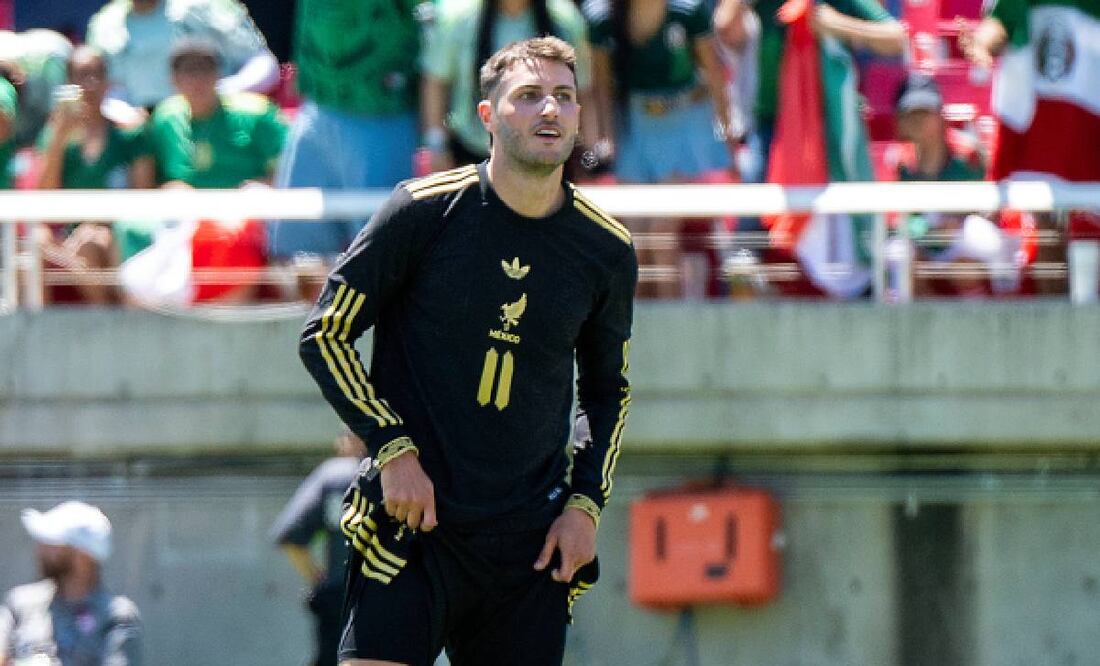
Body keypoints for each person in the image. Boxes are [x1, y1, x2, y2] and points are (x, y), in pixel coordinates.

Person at [298, 36, 636, 666]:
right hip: (413, 524)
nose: (550, 110)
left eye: (564, 96)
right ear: (486, 116)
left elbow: (606, 392)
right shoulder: (422, 211)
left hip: (529, 541)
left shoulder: (606, 249)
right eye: (528, 96)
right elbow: (325, 333)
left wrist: (586, 505)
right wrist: (392, 449)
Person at [266, 0, 424, 300]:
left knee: (380, 253)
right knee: (299, 253)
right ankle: (313, 327)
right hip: (316, 106)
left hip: (381, 113)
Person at [582, 0, 737, 299]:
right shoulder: (600, 17)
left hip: (687, 126)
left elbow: (714, 73)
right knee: (634, 240)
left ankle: (674, 322)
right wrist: (606, 139)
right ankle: (635, 325)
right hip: (633, 127)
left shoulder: (687, 10)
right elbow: (601, 85)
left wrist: (727, 137)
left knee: (661, 232)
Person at [959, 0, 1100, 295]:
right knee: (1048, 226)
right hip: (1041, 125)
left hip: (1089, 119)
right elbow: (1001, 23)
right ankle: (1059, 319)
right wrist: (982, 43)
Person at [35, 46, 155, 305]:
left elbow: (142, 199)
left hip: (118, 234)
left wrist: (96, 226)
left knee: (91, 242)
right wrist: (59, 137)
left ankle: (109, 320)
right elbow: (45, 199)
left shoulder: (130, 135)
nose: (89, 84)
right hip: (71, 236)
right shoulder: (55, 138)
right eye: (81, 75)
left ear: (107, 81)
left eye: (96, 74)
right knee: (36, 242)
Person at [420, 0, 596, 172]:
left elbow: (583, 91)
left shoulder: (564, 18)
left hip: (547, 156)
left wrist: (590, 155)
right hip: (470, 150)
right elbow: (436, 83)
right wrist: (437, 145)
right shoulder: (457, 15)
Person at [892, 74, 1018, 297]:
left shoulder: (968, 156)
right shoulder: (898, 163)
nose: (919, 121)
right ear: (901, 121)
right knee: (900, 256)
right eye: (912, 113)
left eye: (926, 112)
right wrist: (926, 232)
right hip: (923, 242)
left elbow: (992, 209)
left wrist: (956, 223)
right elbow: (894, 220)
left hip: (964, 237)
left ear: (940, 115)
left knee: (972, 251)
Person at [0, 501, 142, 666]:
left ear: (82, 556)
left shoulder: (117, 616)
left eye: (51, 543)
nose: (40, 550)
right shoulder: (20, 603)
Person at [271, 431, 365, 666]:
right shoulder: (410, 475)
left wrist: (317, 577)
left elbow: (290, 536)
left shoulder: (334, 476)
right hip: (398, 600)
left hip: (340, 598)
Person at [85, 0, 278, 110]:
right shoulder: (104, 23)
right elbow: (103, 89)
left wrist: (218, 93)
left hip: (216, 129)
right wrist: (119, 110)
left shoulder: (206, 5)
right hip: (142, 141)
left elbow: (263, 63)